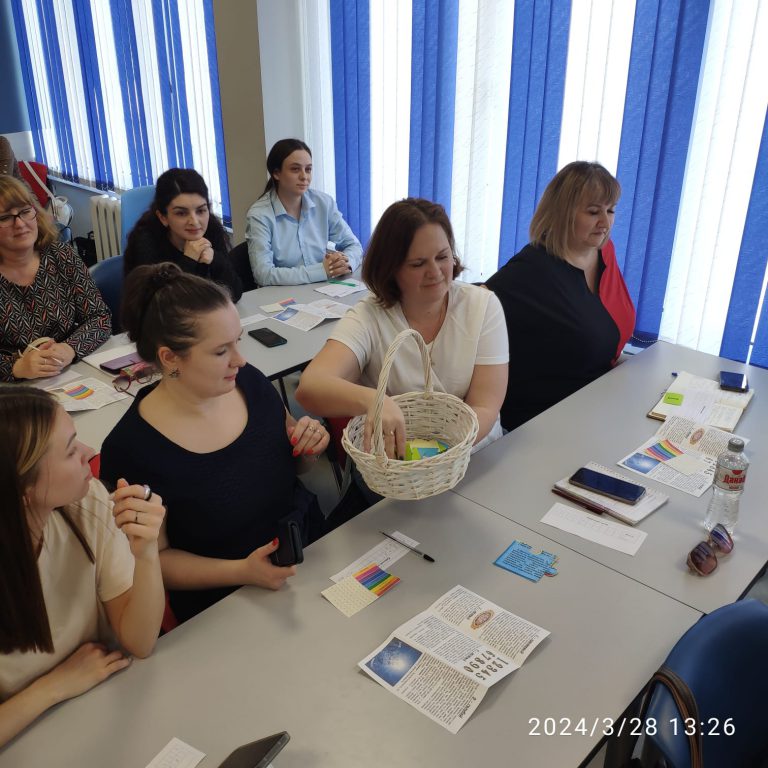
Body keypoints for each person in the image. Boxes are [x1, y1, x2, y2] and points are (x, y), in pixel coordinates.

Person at [100, 263, 329, 623]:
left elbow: (294, 464)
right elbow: (157, 560)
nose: (240, 359)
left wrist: (309, 448)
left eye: (238, 341)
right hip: (226, 601)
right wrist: (242, 571)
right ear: (170, 358)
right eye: (221, 351)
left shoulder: (249, 382)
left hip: (307, 551)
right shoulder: (133, 449)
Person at [296, 198, 508, 499]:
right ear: (391, 268)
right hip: (399, 478)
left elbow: (485, 407)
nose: (436, 272)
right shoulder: (369, 316)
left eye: (443, 257)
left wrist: (440, 458)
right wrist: (375, 401)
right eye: (418, 264)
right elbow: (310, 387)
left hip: (476, 460)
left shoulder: (482, 307)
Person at [0, 387, 166, 746]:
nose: (90, 452)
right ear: (23, 489)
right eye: (71, 449)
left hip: (109, 704)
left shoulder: (87, 503)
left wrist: (146, 553)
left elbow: (139, 641)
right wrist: (53, 687)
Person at [485, 161, 636, 432]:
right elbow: (473, 307)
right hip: (544, 422)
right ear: (563, 213)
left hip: (597, 401)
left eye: (611, 210)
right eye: (593, 212)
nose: (605, 223)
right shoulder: (530, 271)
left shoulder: (604, 251)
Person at [0, 176, 111, 382]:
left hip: (67, 374)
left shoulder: (60, 255)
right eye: (5, 218)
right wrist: (15, 367)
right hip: (13, 387)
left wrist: (70, 348)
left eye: (25, 211)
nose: (20, 224)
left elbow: (100, 317)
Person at [246, 138, 362, 286]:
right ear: (276, 173)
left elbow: (354, 245)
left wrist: (344, 262)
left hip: (324, 289)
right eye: (295, 169)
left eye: (308, 169)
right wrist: (321, 271)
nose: (304, 176)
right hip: (283, 294)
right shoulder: (259, 215)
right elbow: (263, 274)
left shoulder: (323, 203)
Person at [123, 168, 243, 302]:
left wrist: (215, 259)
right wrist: (189, 260)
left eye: (201, 210)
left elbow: (235, 294)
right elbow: (160, 305)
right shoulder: (145, 241)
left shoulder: (212, 228)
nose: (195, 222)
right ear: (163, 217)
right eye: (181, 213)